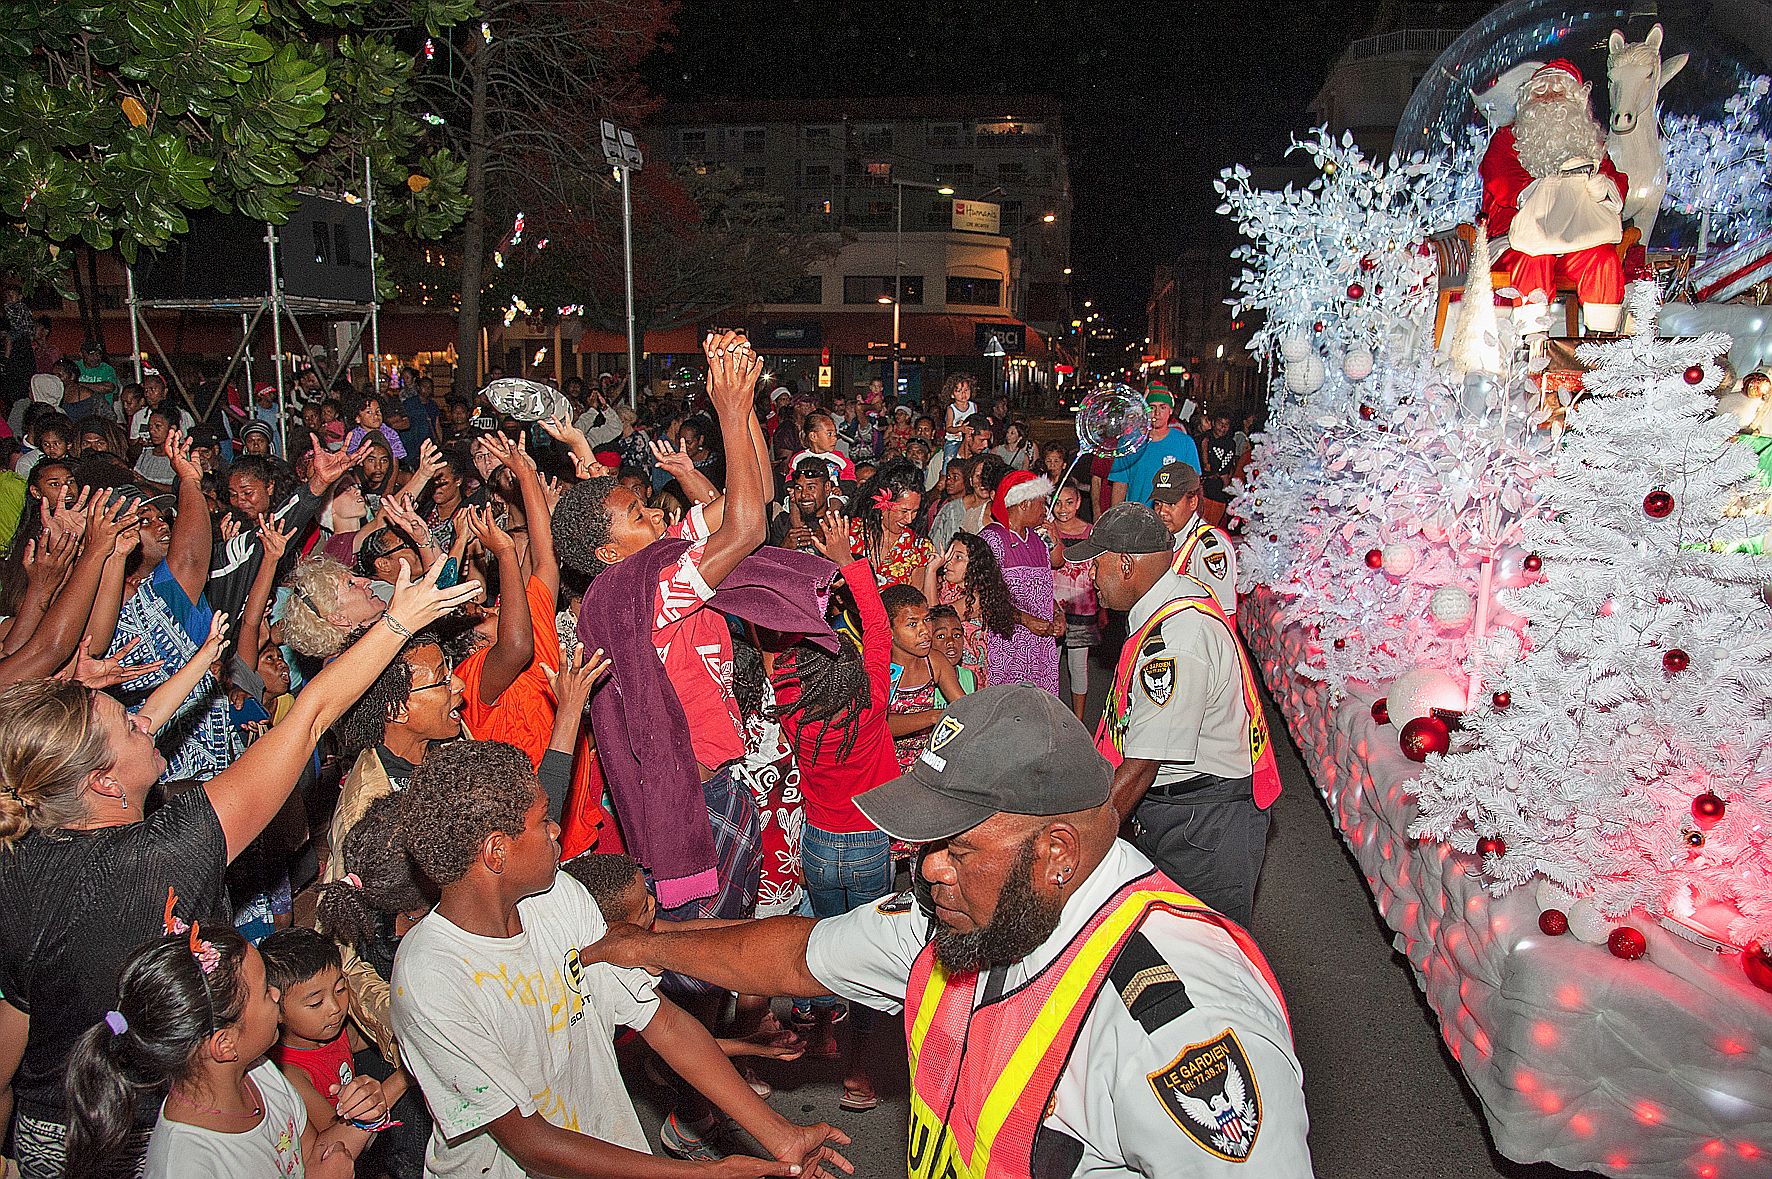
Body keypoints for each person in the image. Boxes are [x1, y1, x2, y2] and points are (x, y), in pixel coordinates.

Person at [581, 684, 1312, 1178]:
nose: (928, 871)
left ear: (1055, 851)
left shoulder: (1177, 1025)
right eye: (927, 846)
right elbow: (789, 954)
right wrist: (646, 944)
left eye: (957, 848)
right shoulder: (963, 913)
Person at [0, 563, 475, 1176]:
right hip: (155, 1132)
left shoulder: (19, 861)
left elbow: (10, 1042)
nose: (146, 719)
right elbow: (309, 719)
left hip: (52, 1135)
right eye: (129, 722)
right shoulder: (166, 853)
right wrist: (396, 621)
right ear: (101, 783)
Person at [388, 740, 851, 1178]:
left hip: (611, 1150)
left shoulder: (559, 896)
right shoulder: (431, 977)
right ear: (496, 852)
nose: (556, 831)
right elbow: (529, 1142)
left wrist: (779, 1134)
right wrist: (707, 1172)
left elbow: (663, 1022)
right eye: (544, 820)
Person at [1068, 504, 1280, 926]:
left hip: (1203, 822)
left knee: (1209, 951)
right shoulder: (1170, 597)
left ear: (1127, 565)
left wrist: (1081, 841)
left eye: (1097, 563)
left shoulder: (1176, 641)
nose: (1090, 576)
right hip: (1189, 809)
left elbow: (1145, 761)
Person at [63, 931, 359, 1178]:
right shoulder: (187, 1166)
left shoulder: (261, 1073)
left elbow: (309, 1154)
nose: (277, 995)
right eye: (264, 992)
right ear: (225, 1044)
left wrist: (365, 1116)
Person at [1479, 59, 1627, 349]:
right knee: (1533, 257)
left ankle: (1602, 347)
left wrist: (1603, 185)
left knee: (1604, 258)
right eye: (1540, 92)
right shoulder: (1508, 140)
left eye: (1558, 92)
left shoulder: (1589, 142)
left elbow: (1616, 179)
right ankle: (1533, 344)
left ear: (1575, 100)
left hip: (1579, 237)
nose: (1548, 98)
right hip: (1517, 239)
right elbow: (1500, 179)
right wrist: (1545, 192)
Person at [258, 927, 403, 1158]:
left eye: (340, 989)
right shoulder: (290, 1074)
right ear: (276, 1010)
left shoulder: (333, 1032)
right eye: (316, 1003)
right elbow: (336, 1141)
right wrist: (406, 1076)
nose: (335, 1008)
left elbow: (374, 1034)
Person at [979, 471, 1061, 695]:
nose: (1045, 510)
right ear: (1025, 503)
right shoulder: (992, 539)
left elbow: (1044, 587)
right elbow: (984, 597)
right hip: (1007, 641)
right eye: (1042, 503)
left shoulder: (1038, 540)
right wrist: (1026, 620)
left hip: (1040, 643)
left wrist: (1057, 612)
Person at [882, 585, 967, 774]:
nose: (925, 631)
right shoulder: (879, 667)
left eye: (926, 620)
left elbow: (963, 705)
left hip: (926, 762)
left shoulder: (934, 661)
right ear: (889, 630)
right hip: (887, 765)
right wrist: (931, 717)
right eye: (912, 624)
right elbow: (878, 725)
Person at [921, 531, 1013, 690]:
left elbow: (935, 618)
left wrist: (931, 571)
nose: (949, 562)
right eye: (949, 556)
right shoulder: (942, 587)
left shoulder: (978, 598)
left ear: (975, 565)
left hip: (968, 673)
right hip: (940, 665)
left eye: (958, 558)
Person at [1149, 461, 1237, 617]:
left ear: (1193, 502)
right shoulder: (1163, 538)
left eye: (1170, 504)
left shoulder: (1210, 549)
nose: (1162, 512)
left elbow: (1222, 614)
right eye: (1158, 503)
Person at [1049, 480, 1103, 721]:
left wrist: (1103, 609)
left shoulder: (1092, 533)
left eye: (1069, 502)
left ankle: (1078, 720)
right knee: (1049, 664)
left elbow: (1099, 571)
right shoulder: (1047, 530)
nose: (1063, 508)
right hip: (1052, 607)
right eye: (1058, 503)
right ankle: (1049, 714)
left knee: (1077, 667)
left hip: (1083, 608)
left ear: (1079, 502)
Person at [1107, 383, 1201, 507]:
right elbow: (1120, 484)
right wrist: (1116, 519)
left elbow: (1193, 485)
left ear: (1170, 411)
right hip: (1137, 517)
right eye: (1152, 407)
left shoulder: (1185, 443)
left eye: (1162, 407)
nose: (1157, 413)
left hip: (1171, 518)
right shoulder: (1130, 442)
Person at [848, 459, 932, 589]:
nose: (910, 519)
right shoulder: (850, 531)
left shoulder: (919, 547)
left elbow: (915, 602)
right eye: (904, 511)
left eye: (915, 511)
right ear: (882, 504)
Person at [769, 457, 843, 553]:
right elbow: (769, 565)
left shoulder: (841, 523)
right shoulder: (782, 522)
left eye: (811, 487)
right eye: (798, 488)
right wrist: (784, 548)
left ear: (827, 488)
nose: (803, 494)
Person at [940, 373, 977, 462]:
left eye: (966, 390)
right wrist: (960, 429)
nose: (963, 394)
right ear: (952, 394)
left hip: (969, 439)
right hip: (954, 440)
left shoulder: (973, 406)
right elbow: (948, 428)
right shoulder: (951, 409)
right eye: (959, 391)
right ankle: (945, 474)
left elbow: (976, 419)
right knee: (948, 459)